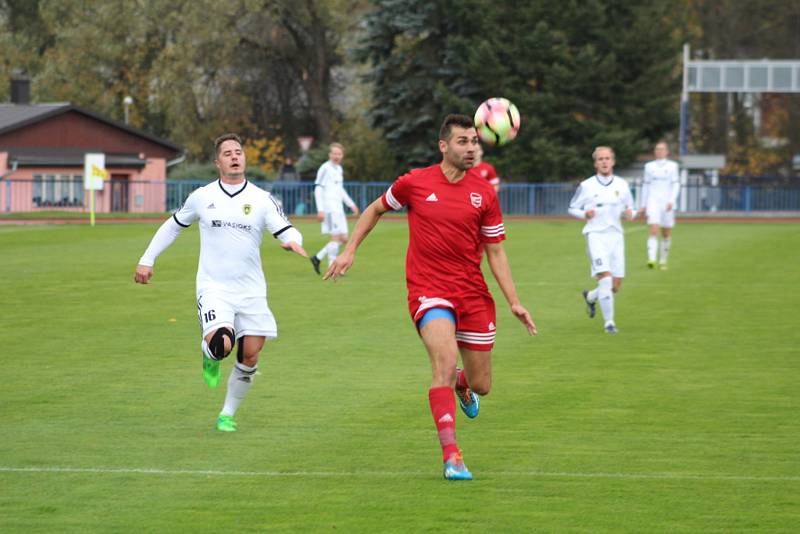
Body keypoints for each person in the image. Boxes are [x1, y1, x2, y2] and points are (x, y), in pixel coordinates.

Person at [324, 114, 537, 481]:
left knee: (482, 385)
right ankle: (452, 456)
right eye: (463, 142)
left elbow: (496, 252)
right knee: (442, 360)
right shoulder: (415, 183)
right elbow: (376, 208)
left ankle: (462, 383)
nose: (471, 148)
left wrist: (514, 301)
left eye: (474, 141)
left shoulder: (484, 193)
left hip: (473, 294)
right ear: (443, 146)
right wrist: (349, 250)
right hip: (429, 290)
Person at [134, 133, 307, 432]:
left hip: (252, 290)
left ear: (244, 158)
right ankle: (209, 354)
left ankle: (227, 413)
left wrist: (293, 242)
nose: (234, 156)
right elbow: (173, 226)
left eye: (238, 152)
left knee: (250, 355)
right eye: (227, 153)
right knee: (221, 344)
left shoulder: (262, 199)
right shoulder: (202, 197)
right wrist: (147, 259)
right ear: (217, 162)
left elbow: (287, 229)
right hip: (214, 287)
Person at [568, 146, 635, 334]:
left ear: (613, 161)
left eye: (607, 158)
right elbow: (572, 207)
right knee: (605, 279)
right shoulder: (587, 185)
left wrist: (631, 213)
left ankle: (590, 297)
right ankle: (609, 324)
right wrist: (584, 214)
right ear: (595, 163)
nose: (604, 162)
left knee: (615, 285)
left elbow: (631, 208)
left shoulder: (622, 185)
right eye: (600, 159)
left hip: (616, 236)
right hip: (595, 235)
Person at [309, 143, 360, 274]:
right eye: (334, 153)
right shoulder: (325, 168)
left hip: (339, 208)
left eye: (339, 154)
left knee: (344, 239)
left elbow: (340, 189)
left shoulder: (339, 169)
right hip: (329, 208)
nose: (337, 156)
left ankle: (317, 257)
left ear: (342, 156)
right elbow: (318, 188)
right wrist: (320, 209)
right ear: (330, 155)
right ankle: (333, 268)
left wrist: (351, 204)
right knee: (336, 237)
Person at [638, 141, 680, 270]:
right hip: (653, 202)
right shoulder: (649, 166)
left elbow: (675, 184)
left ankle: (663, 260)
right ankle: (651, 258)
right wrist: (643, 204)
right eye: (657, 149)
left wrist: (671, 201)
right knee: (654, 229)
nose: (659, 151)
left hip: (666, 203)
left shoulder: (673, 166)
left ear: (667, 151)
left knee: (666, 233)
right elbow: (646, 185)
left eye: (662, 149)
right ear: (654, 151)